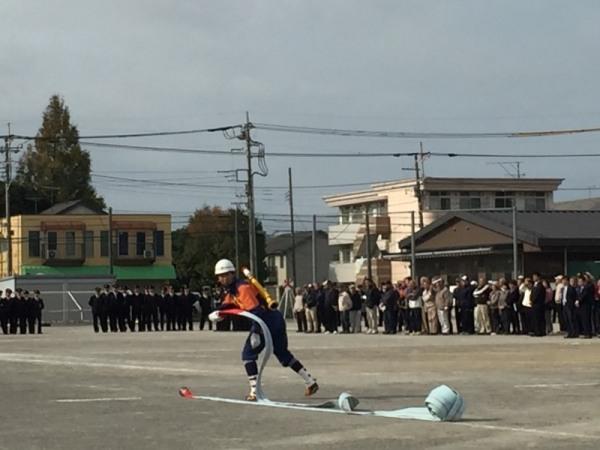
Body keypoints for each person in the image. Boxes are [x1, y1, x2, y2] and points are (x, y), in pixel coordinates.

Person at [209, 259, 319, 401]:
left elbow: (256, 311)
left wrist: (255, 332)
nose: (222, 278)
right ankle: (310, 381)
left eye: (225, 275)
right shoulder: (232, 290)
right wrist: (218, 312)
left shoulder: (242, 288)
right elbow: (227, 305)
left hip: (265, 321)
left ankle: (254, 391)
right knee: (283, 354)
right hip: (274, 319)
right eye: (220, 276)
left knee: (248, 355)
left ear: (232, 274)